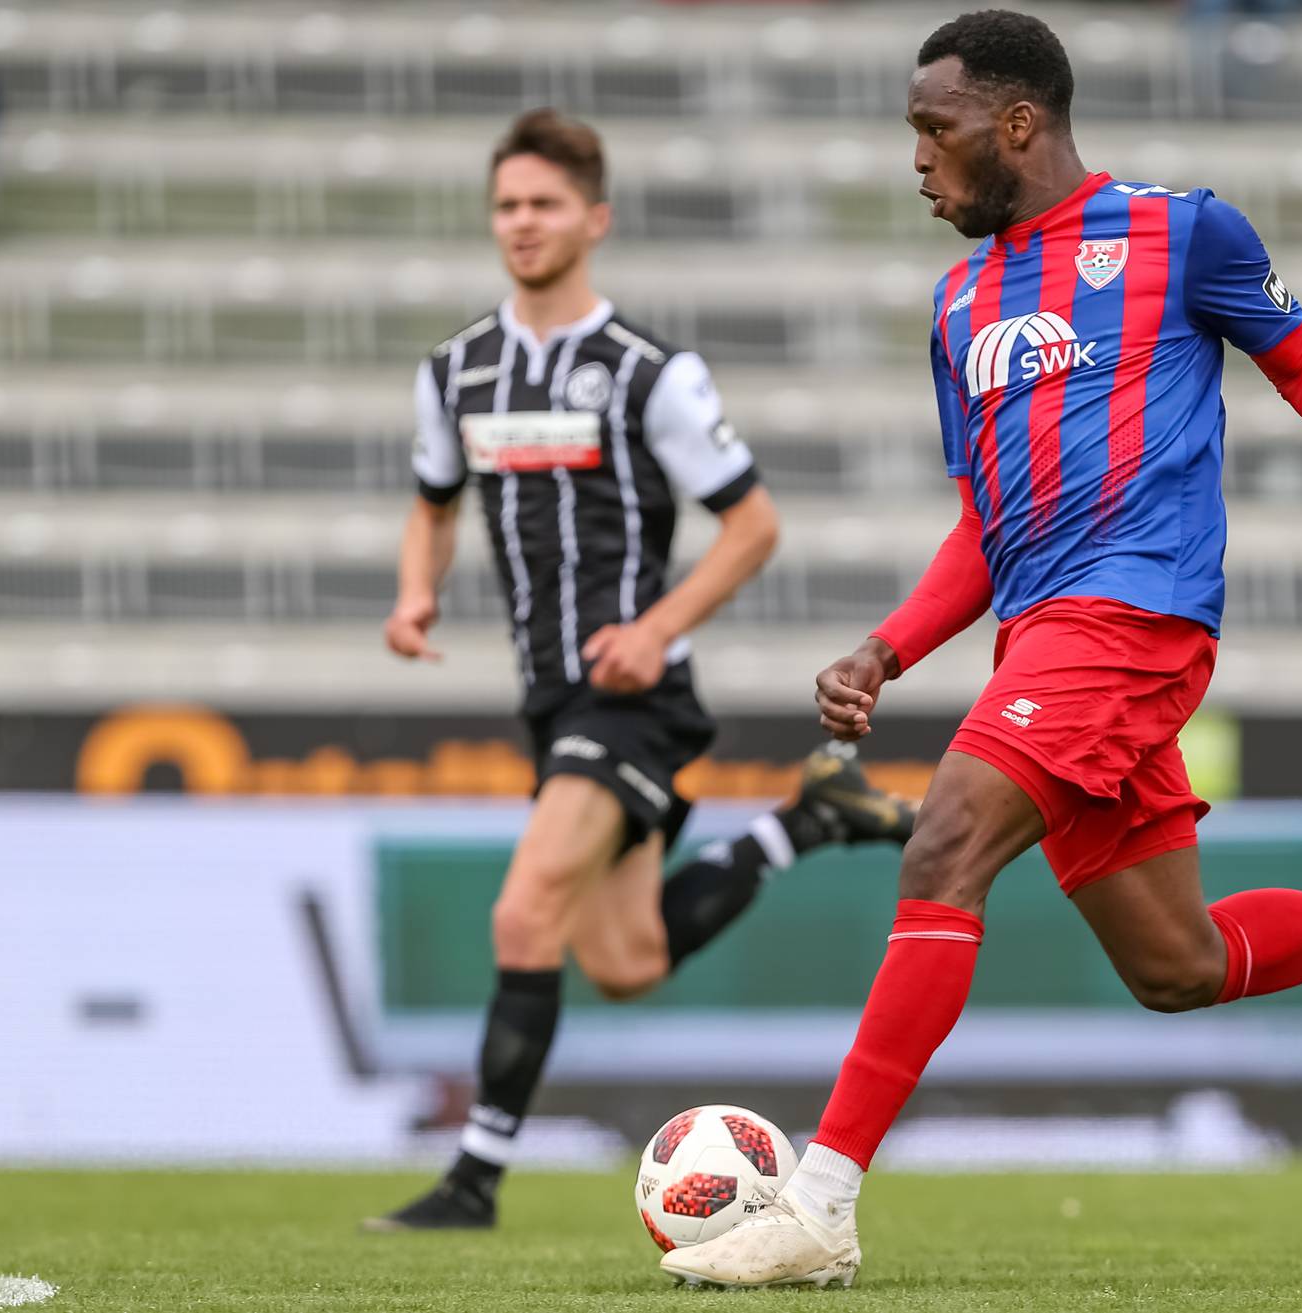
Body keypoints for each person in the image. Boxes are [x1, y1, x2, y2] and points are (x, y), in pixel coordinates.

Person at [658, 11, 1302, 1289]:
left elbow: (1299, 350)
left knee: (944, 845)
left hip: (1133, 613)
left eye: (934, 128)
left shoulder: (1181, 231)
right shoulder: (961, 303)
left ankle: (821, 1201)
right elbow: (984, 525)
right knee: (1177, 964)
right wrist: (886, 649)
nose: (918, 159)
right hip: (1042, 633)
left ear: (1016, 122)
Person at [364, 109, 916, 1231]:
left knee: (525, 912)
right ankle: (805, 822)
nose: (523, 222)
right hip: (550, 697)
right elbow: (432, 505)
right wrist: (416, 591)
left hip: (632, 699)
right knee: (624, 958)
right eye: (508, 205)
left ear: (595, 219)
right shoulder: (457, 370)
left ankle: (472, 1180)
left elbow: (753, 525)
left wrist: (656, 628)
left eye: (545, 203)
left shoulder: (648, 373)